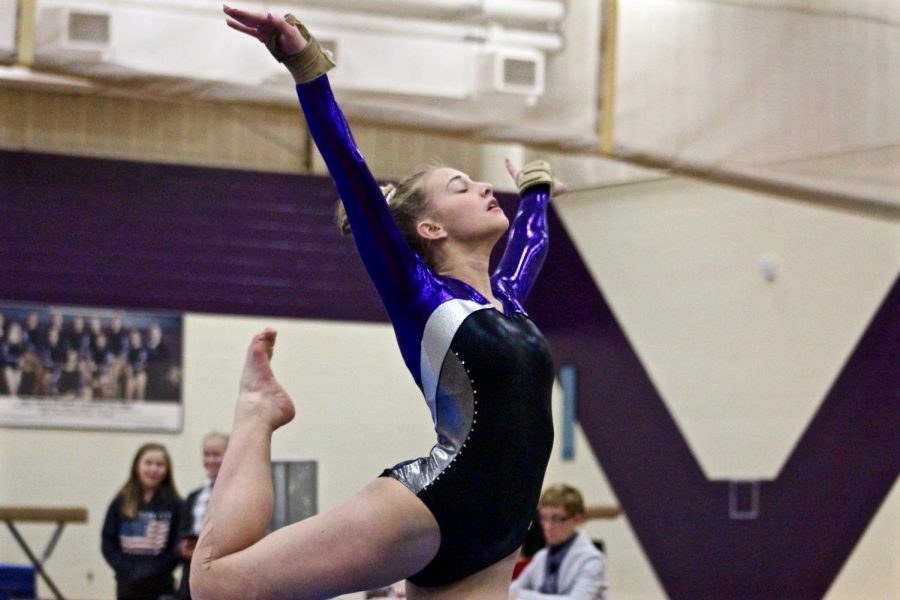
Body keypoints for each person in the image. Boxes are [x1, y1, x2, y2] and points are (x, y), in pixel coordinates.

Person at [190, 6, 564, 600]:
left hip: (497, 537)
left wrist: (539, 189)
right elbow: (352, 177)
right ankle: (258, 412)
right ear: (432, 230)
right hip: (432, 503)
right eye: (461, 187)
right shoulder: (421, 297)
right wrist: (307, 69)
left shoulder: (509, 301)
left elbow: (532, 244)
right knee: (215, 586)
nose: (487, 187)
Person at [102, 443, 183, 600]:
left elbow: (177, 545)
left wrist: (157, 569)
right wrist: (125, 568)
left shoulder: (175, 504)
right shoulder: (121, 501)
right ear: (137, 466)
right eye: (148, 463)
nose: (153, 469)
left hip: (161, 583)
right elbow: (108, 541)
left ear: (167, 470)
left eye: (159, 464)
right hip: (128, 583)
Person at [509, 484, 608, 600]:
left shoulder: (592, 559)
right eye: (544, 518)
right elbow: (511, 591)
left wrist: (522, 596)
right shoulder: (542, 557)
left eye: (556, 519)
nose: (548, 526)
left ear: (577, 520)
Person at [177, 432, 229, 600]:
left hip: (222, 568)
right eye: (207, 455)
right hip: (193, 569)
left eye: (216, 455)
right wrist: (182, 547)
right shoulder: (194, 497)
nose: (211, 460)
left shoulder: (235, 493)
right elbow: (181, 532)